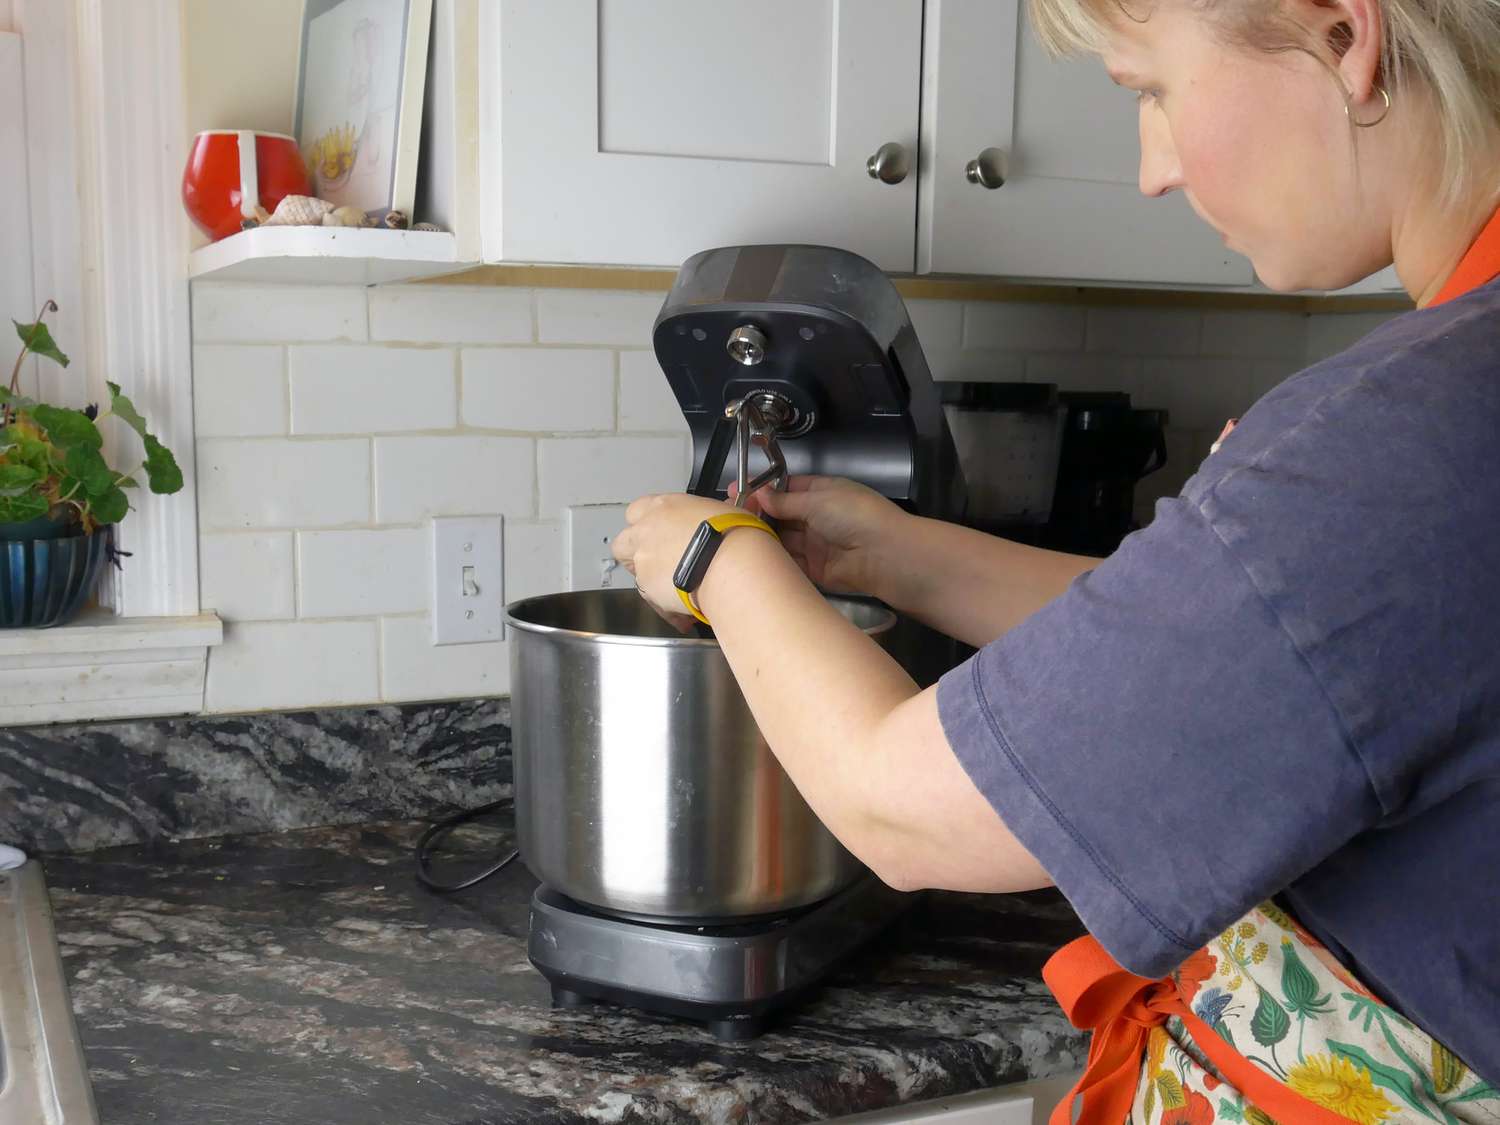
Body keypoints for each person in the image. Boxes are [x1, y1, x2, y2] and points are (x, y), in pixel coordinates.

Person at [611, 0, 1500, 1114]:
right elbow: (1260, 662)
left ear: (1340, 34)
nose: (1151, 170)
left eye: (1151, 91)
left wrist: (714, 558)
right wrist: (895, 556)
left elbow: (904, 812)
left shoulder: (1400, 436)